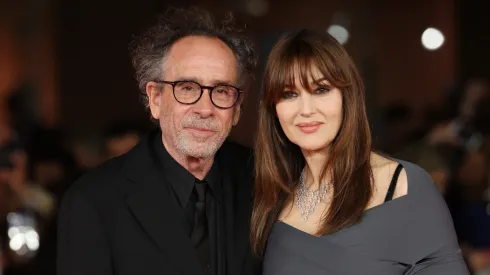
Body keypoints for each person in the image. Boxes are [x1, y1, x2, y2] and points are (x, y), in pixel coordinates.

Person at [57, 7, 261, 275]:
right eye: (187, 88)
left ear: (236, 108)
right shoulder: (93, 202)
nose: (205, 108)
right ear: (155, 99)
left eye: (221, 91)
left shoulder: (261, 179)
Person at [250, 29, 469, 275]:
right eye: (289, 94)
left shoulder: (405, 186)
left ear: (347, 96)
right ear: (274, 110)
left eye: (321, 89)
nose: (306, 109)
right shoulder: (273, 196)